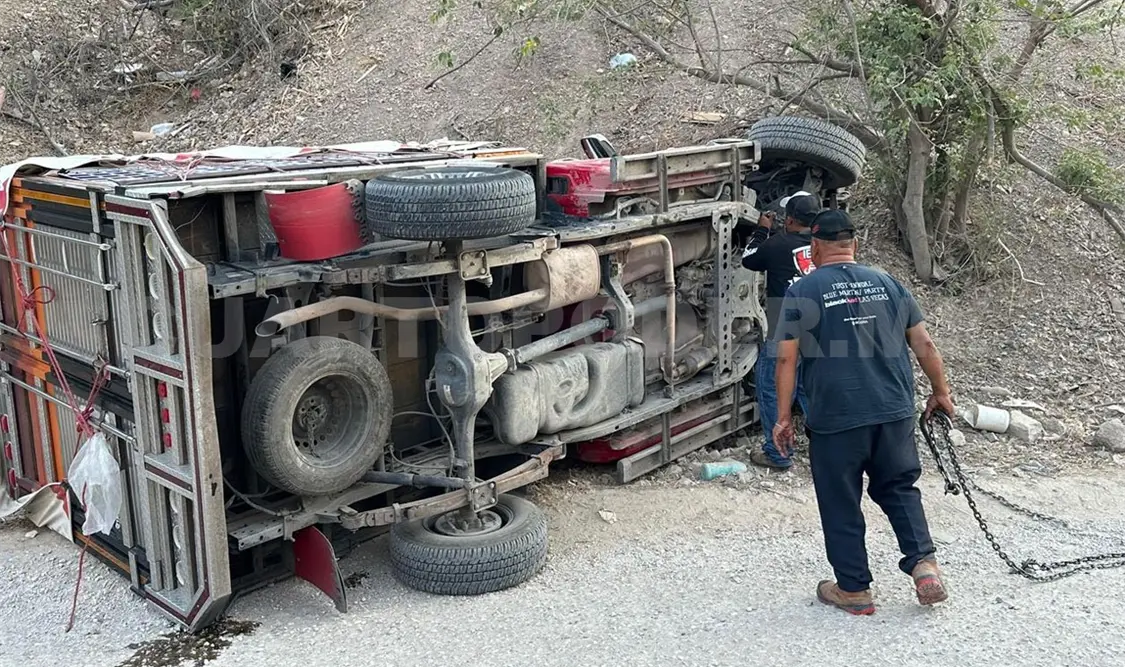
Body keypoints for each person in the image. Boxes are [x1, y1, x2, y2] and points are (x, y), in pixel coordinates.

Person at [772, 209, 954, 615]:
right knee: (898, 487)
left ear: (815, 247)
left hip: (835, 415)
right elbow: (924, 343)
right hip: (892, 409)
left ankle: (853, 588)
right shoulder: (888, 283)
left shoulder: (802, 292)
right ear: (853, 245)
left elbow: (786, 361)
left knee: (840, 498)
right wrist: (941, 392)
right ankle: (924, 565)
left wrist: (782, 418)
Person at [740, 191, 819, 469]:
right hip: (818, 332)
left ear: (790, 219)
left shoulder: (778, 244)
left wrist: (762, 230)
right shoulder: (823, 245)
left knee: (773, 388)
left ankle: (777, 454)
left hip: (783, 333)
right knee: (811, 389)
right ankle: (830, 450)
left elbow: (748, 259)